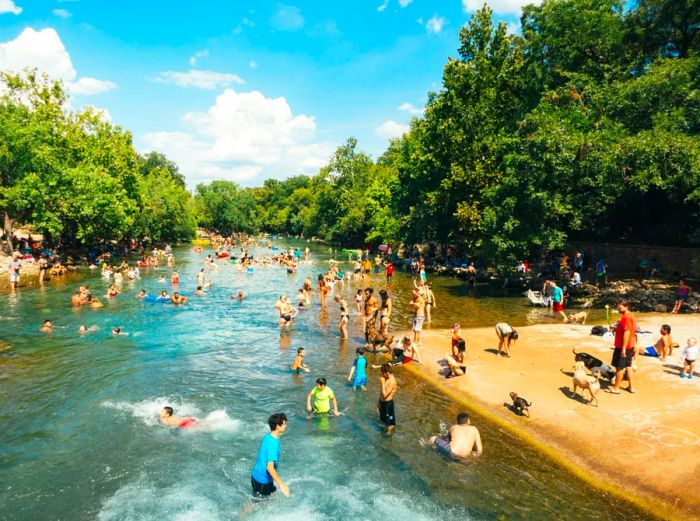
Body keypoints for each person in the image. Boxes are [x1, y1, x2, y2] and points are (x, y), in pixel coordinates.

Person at [251, 412, 290, 498]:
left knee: (272, 495)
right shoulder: (273, 443)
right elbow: (270, 467)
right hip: (262, 480)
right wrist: (282, 485)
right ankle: (242, 512)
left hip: (256, 476)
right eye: (284, 424)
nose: (286, 425)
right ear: (278, 426)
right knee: (257, 504)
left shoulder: (268, 436)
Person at [611, 300, 637, 394]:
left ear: (627, 307)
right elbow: (626, 329)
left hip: (623, 346)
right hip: (630, 345)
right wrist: (616, 328)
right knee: (628, 366)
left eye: (620, 307)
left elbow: (627, 332)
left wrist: (623, 348)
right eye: (618, 307)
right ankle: (631, 387)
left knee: (620, 367)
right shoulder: (629, 316)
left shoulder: (626, 317)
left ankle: (616, 388)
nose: (619, 309)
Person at [378, 363, 397, 433]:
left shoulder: (392, 381)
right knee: (383, 420)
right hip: (383, 403)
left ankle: (389, 432)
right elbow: (381, 392)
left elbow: (385, 394)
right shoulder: (386, 378)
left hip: (388, 404)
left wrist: (382, 383)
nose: (382, 375)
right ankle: (384, 429)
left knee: (390, 422)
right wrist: (378, 403)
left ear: (387, 373)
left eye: (383, 373)